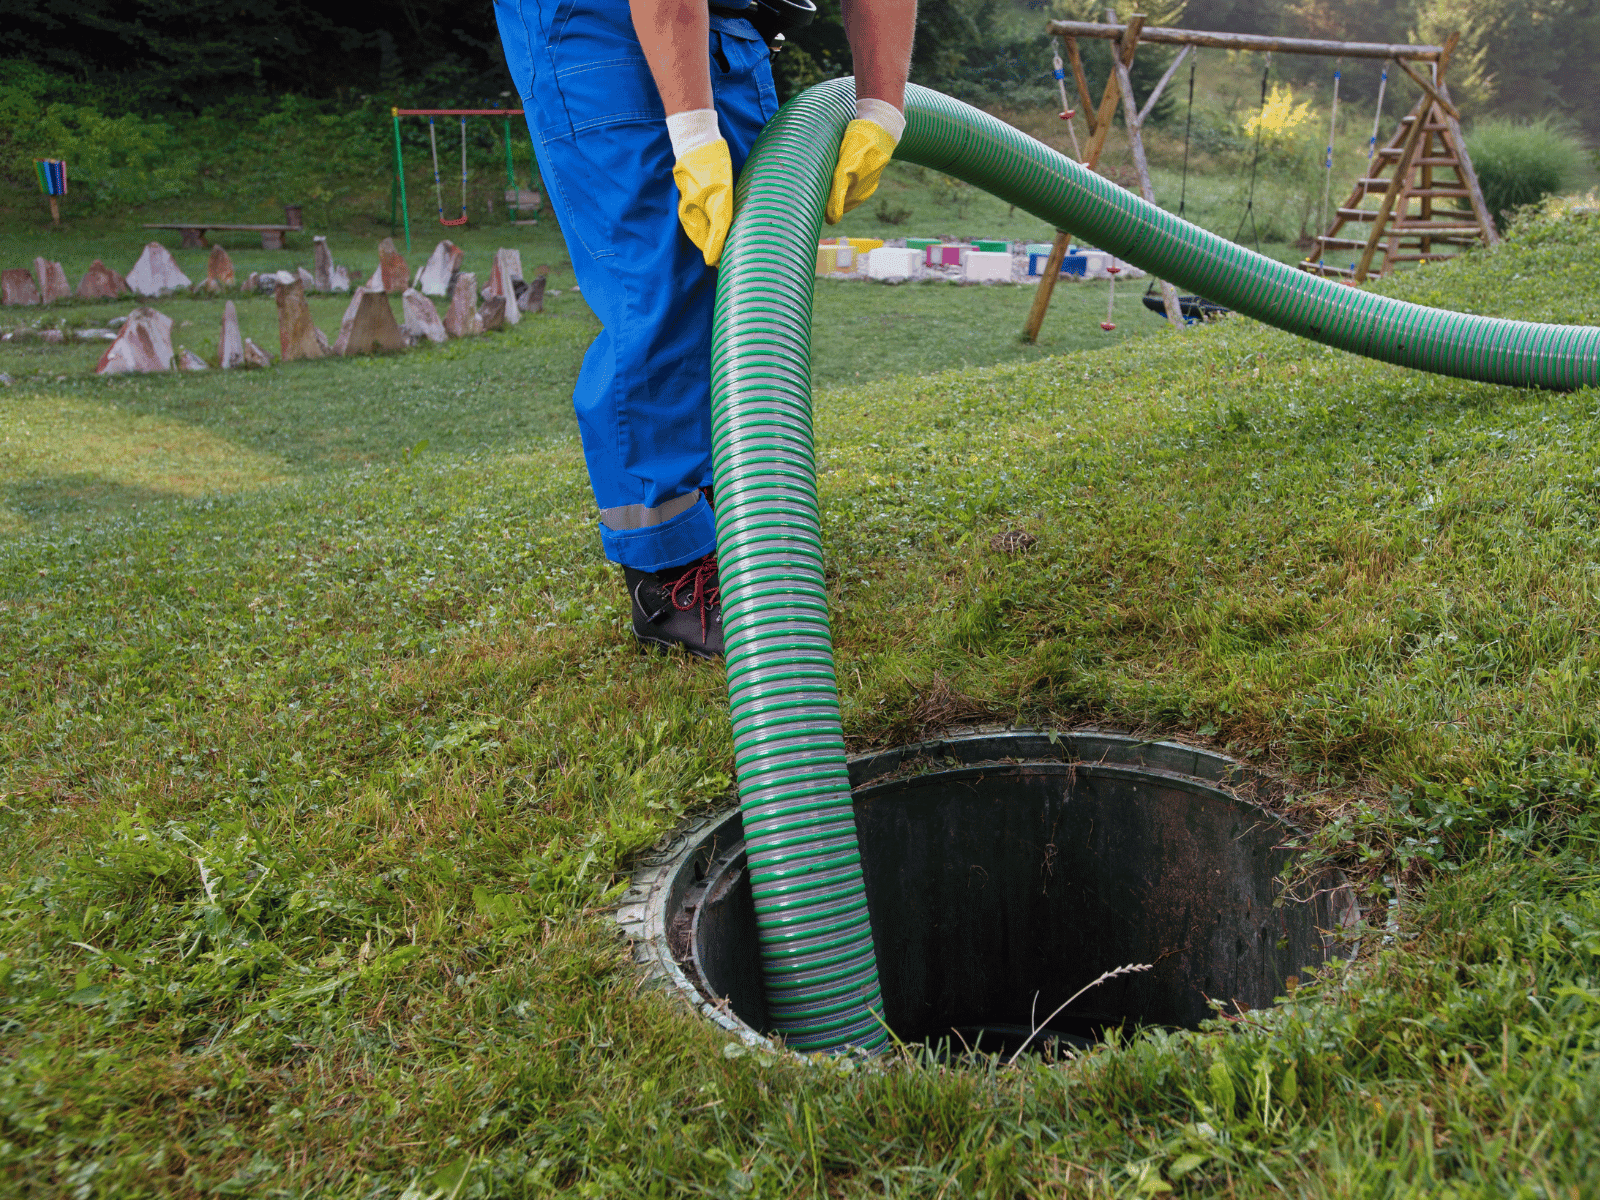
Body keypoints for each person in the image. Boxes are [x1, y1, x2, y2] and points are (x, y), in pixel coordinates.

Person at [495, 0, 916, 657]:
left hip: (727, 23)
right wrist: (692, 135)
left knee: (745, 278)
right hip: (592, 21)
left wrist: (882, 109)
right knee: (659, 281)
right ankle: (669, 574)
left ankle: (732, 535)